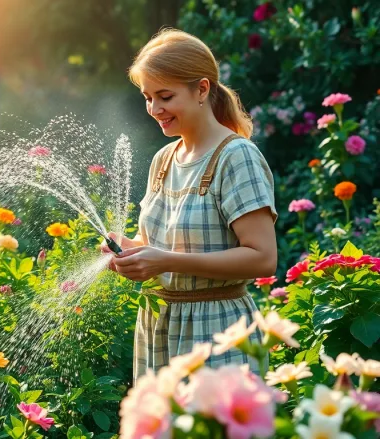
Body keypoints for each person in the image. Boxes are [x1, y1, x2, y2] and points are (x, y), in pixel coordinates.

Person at [103, 28, 278, 382]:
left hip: (217, 333)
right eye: (147, 97)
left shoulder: (236, 157)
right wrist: (129, 249)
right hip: (160, 327)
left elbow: (263, 258)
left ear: (201, 89)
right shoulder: (164, 159)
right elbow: (163, 244)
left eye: (165, 96)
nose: (155, 109)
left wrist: (166, 261)